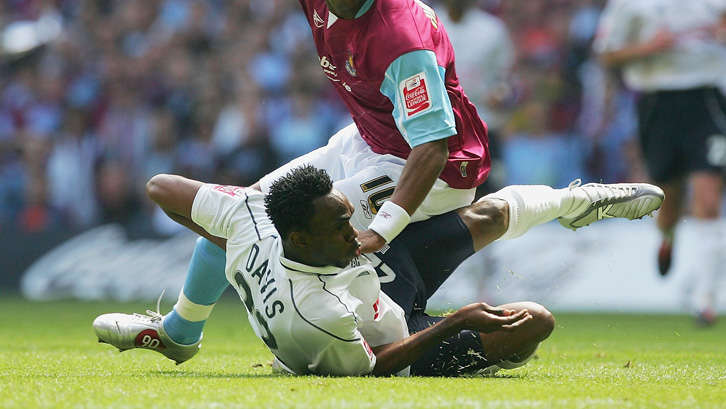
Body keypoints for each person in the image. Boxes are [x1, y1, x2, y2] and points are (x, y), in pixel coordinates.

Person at [131, 0, 499, 357]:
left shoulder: (400, 39)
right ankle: (181, 332)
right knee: (245, 206)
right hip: (369, 136)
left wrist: (382, 230)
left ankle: (332, 338)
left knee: (280, 226)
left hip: (433, 168)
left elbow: (433, 148)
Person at [93, 165, 664, 376]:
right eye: (341, 228)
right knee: (535, 323)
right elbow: (378, 366)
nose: (355, 232)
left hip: (371, 278)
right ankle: (176, 333)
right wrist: (454, 321)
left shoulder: (256, 217)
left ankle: (576, 203)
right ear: (300, 239)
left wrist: (233, 232)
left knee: (484, 208)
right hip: (404, 338)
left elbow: (161, 187)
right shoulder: (312, 315)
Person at [595, 0, 726, 325]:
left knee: (708, 197)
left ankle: (705, 299)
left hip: (706, 99)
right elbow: (606, 52)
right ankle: (667, 236)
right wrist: (649, 48)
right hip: (657, 103)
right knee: (669, 200)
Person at [431, 0, 516, 195]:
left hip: (483, 126)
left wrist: (502, 93)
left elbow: (506, 78)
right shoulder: (428, 26)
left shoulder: (491, 31)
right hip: (441, 129)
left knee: (486, 197)